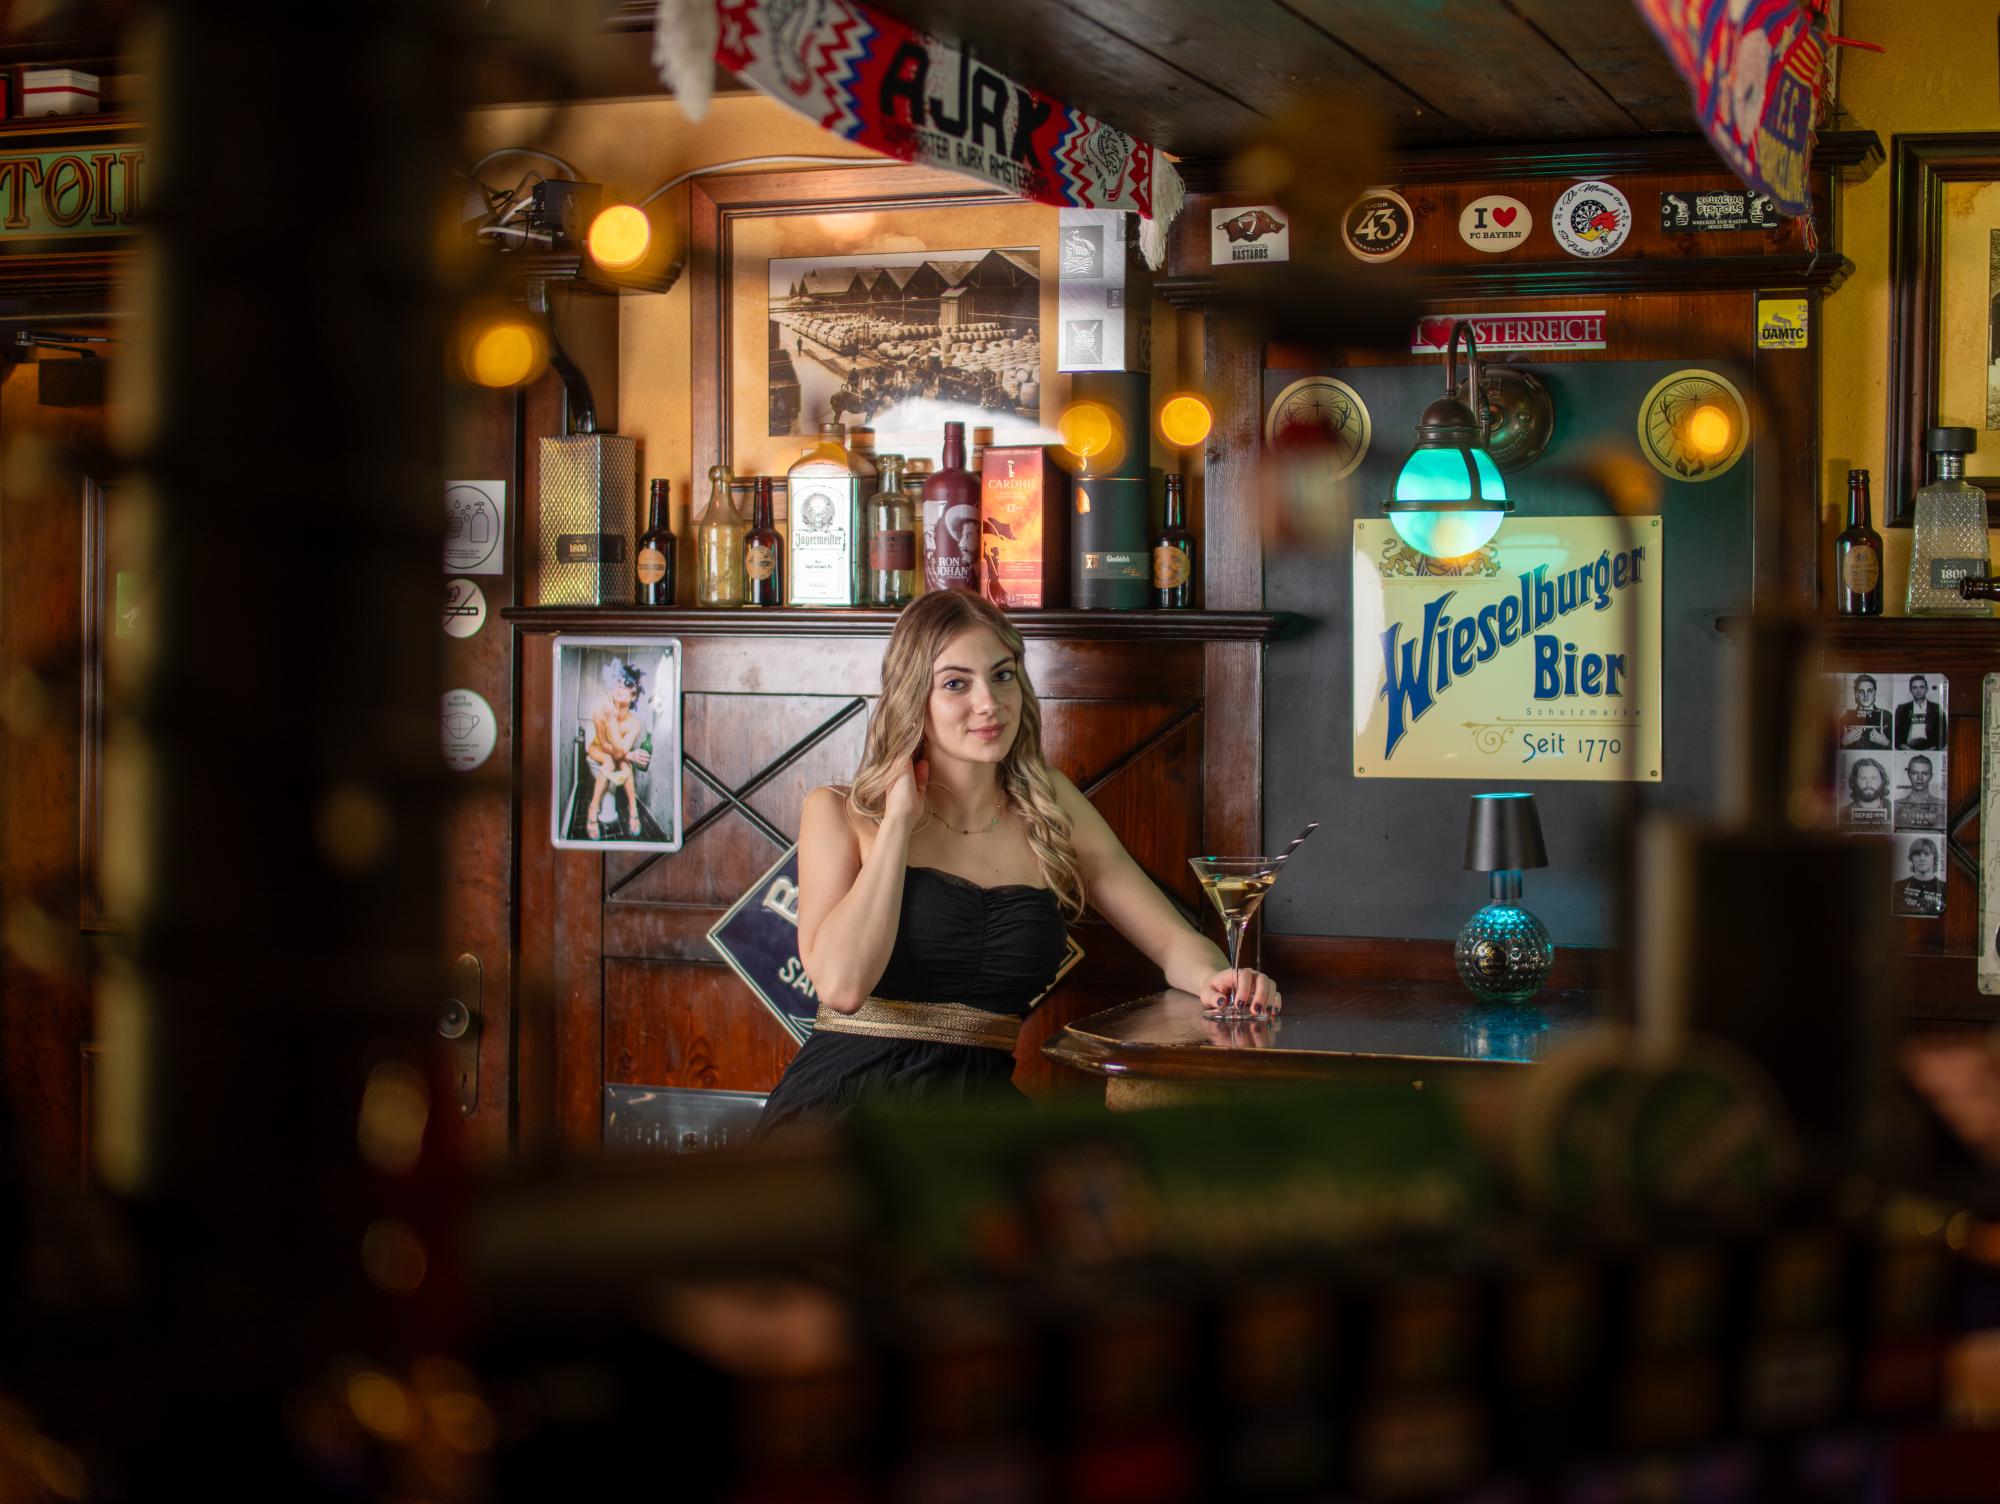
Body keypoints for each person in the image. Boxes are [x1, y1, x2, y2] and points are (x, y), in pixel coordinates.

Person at [754, 591, 1279, 1137]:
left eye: (1002, 676)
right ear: (913, 698)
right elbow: (842, 987)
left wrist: (1220, 979)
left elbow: (1170, 942)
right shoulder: (839, 812)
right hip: (843, 1117)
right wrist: (897, 824)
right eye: (955, 684)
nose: (989, 703)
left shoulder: (1049, 803)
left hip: (978, 1119)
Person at [583, 657, 647, 840]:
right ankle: (593, 808)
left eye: (627, 684)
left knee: (623, 764)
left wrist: (625, 755)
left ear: (634, 695)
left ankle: (632, 810)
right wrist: (628, 755)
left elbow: (620, 752)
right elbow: (604, 745)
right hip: (596, 748)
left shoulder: (634, 723)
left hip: (615, 754)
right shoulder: (599, 710)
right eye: (617, 682)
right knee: (615, 760)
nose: (620, 686)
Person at [1893, 838, 1946, 917]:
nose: (1922, 858)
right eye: (1917, 854)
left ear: (1934, 858)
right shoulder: (1898, 887)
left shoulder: (1944, 888)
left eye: (1926, 854)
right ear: (1911, 858)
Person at [1836, 674, 1891, 749]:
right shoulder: (1843, 719)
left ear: (1874, 694)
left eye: (1870, 691)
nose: (1866, 695)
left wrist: (1886, 743)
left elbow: (1897, 750)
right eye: (1861, 691)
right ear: (1856, 695)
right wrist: (1843, 742)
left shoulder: (1888, 718)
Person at [1895, 753, 1946, 831]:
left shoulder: (1943, 806)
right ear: (1909, 775)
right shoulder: (1896, 806)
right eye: (1915, 773)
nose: (1920, 778)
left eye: (1925, 773)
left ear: (1931, 776)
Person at [1840, 757, 1890, 830]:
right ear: (1854, 782)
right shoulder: (1842, 814)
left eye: (1874, 778)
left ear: (1883, 781)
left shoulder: (1894, 810)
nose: (1868, 784)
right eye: (1863, 778)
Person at [1896, 674, 1944, 751]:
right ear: (1910, 690)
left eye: (1921, 687)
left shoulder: (1937, 709)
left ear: (1927, 689)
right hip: (1908, 749)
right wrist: (1907, 749)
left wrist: (1932, 750)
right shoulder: (1902, 709)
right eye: (1915, 687)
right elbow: (1897, 736)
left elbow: (1943, 735)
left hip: (1930, 749)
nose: (1918, 690)